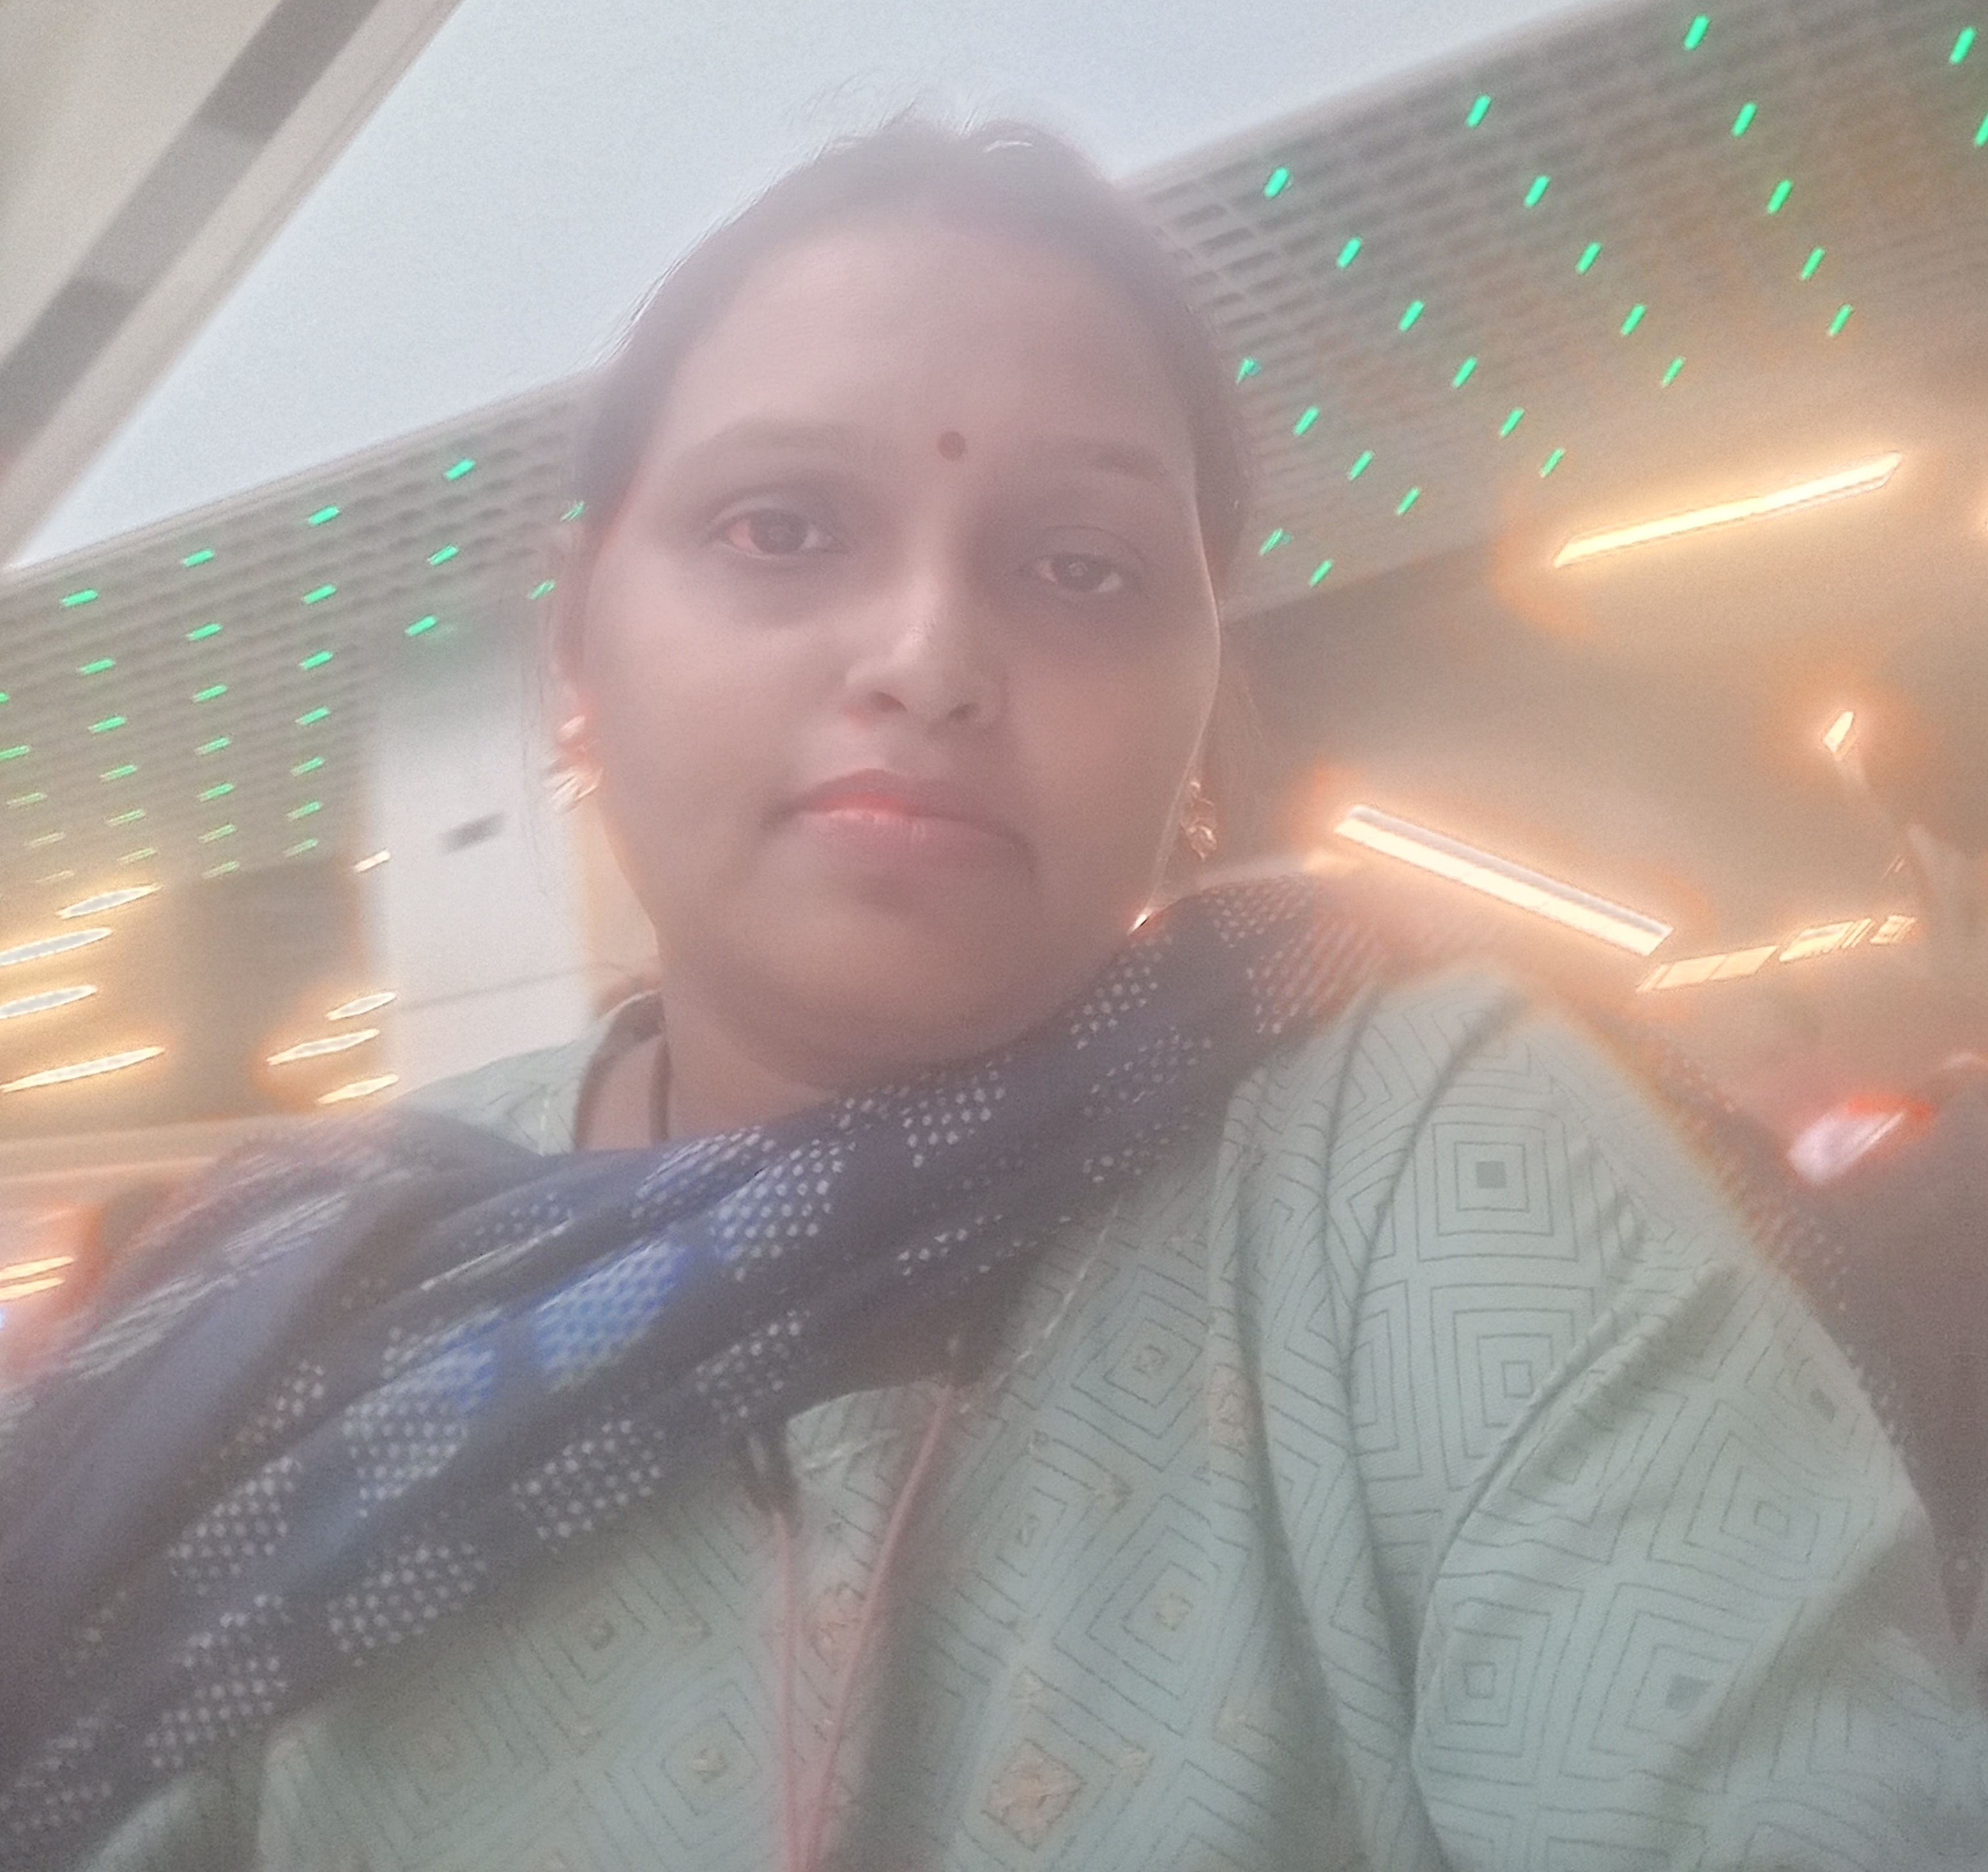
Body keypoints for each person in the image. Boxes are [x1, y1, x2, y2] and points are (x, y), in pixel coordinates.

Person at [3, 121, 1986, 1872]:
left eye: (1081, 566)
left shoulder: (1426, 1168)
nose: (930, 656)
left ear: (1201, 718)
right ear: (577, 653)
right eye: (782, 529)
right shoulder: (299, 1318)